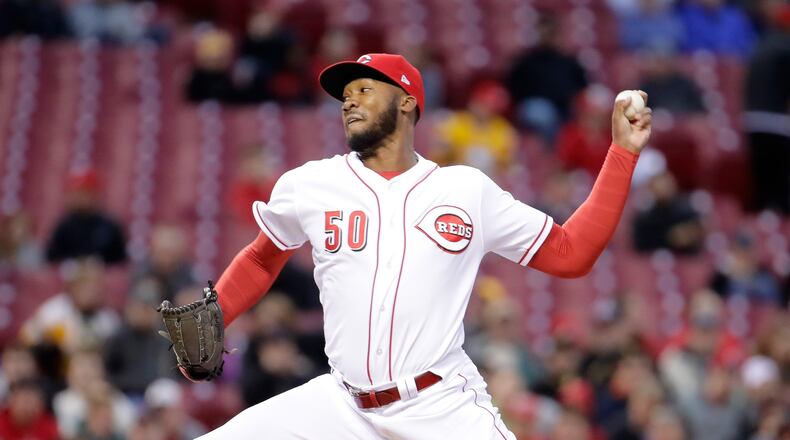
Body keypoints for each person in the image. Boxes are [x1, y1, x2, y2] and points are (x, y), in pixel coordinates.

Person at [182, 53, 651, 439]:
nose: (349, 102)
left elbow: (573, 252)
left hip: (440, 406)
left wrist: (621, 153)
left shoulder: (466, 190)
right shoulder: (311, 184)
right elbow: (264, 256)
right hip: (341, 405)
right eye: (346, 96)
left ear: (407, 102)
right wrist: (218, 314)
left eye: (365, 90)